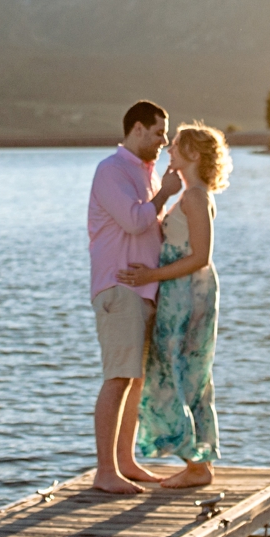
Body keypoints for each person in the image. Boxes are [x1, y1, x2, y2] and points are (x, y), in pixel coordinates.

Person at [117, 123, 227, 489]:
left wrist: (152, 275)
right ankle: (197, 462)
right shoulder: (189, 194)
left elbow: (201, 256)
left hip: (188, 293)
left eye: (177, 145)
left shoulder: (195, 197)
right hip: (181, 290)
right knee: (180, 371)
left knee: (177, 370)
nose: (169, 149)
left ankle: (197, 466)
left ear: (194, 154)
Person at [86, 100, 183, 494]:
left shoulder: (148, 174)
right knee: (118, 378)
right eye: (159, 132)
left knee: (135, 380)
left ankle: (125, 463)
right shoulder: (111, 170)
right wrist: (165, 196)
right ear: (138, 129)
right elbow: (133, 220)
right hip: (119, 288)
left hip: (143, 290)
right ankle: (105, 472)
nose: (163, 140)